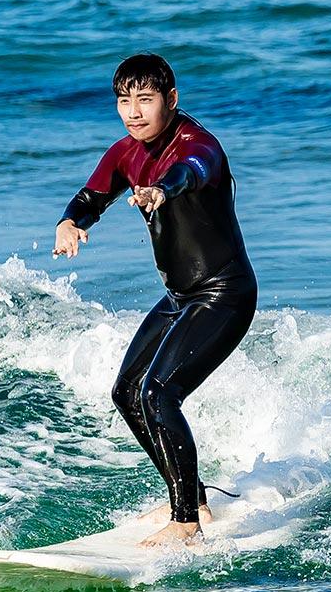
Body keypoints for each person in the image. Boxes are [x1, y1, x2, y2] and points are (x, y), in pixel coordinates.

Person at [52, 54, 256, 547]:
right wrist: (71, 221)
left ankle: (186, 523)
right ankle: (191, 498)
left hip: (224, 294)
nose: (134, 112)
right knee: (127, 392)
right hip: (180, 297)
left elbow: (193, 170)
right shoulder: (126, 152)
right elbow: (91, 196)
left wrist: (161, 192)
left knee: (159, 392)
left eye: (146, 100)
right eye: (125, 101)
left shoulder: (200, 146)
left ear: (172, 99)